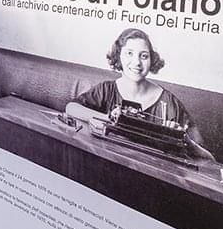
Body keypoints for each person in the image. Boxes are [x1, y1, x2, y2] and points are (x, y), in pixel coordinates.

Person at [65, 27, 214, 160]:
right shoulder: (106, 90)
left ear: (152, 60)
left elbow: (209, 158)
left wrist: (184, 141)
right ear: (118, 56)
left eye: (143, 56)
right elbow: (71, 108)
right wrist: (110, 119)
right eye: (129, 53)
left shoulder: (169, 102)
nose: (136, 62)